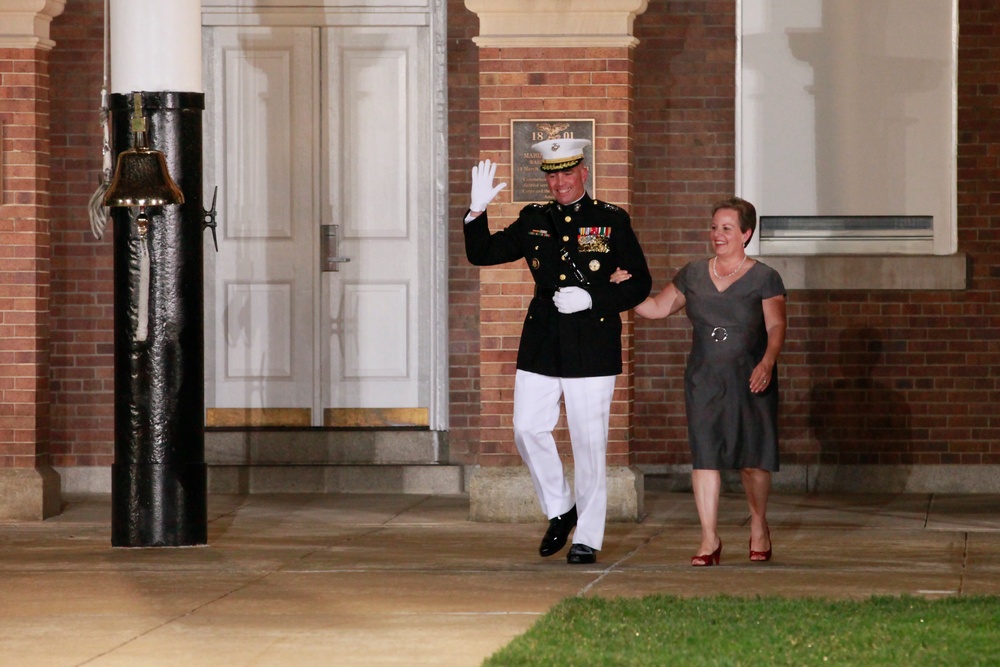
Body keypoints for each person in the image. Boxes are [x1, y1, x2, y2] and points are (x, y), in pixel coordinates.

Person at [463, 139, 652, 565]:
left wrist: (594, 299)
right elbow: (483, 253)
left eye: (568, 173)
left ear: (584, 173)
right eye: (552, 174)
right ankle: (562, 508)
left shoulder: (610, 220)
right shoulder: (535, 219)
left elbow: (639, 282)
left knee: (588, 444)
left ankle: (587, 535)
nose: (560, 182)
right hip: (543, 341)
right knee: (526, 428)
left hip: (592, 342)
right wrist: (476, 213)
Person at [612, 197, 786, 566]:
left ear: (746, 233)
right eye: (714, 227)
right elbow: (657, 309)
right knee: (705, 458)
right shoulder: (692, 274)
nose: (717, 235)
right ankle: (709, 538)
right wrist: (624, 290)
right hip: (704, 380)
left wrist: (768, 362)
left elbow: (776, 325)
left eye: (726, 228)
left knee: (753, 461)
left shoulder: (765, 277)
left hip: (751, 377)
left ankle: (758, 525)